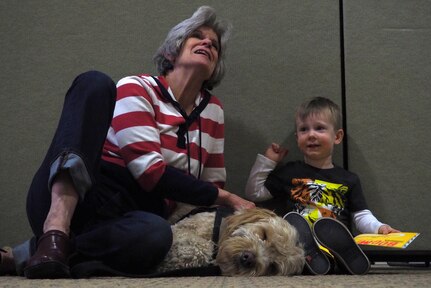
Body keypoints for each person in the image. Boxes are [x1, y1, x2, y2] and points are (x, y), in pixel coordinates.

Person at [0, 6, 254, 279]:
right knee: (95, 83)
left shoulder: (213, 111)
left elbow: (211, 186)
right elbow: (150, 173)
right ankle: (55, 230)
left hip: (130, 220)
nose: (207, 43)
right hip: (79, 195)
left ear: (215, 66)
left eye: (214, 44)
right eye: (197, 36)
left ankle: (36, 252)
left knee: (157, 237)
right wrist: (227, 197)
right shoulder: (136, 87)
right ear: (172, 51)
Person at [245, 96, 399, 275]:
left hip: (332, 241)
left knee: (332, 238)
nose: (311, 135)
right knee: (289, 231)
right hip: (298, 243)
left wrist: (379, 228)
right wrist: (268, 161)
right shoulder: (290, 171)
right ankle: (309, 258)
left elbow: (361, 216)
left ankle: (338, 257)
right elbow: (255, 193)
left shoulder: (348, 179)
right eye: (304, 129)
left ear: (337, 136)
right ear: (297, 138)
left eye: (319, 128)